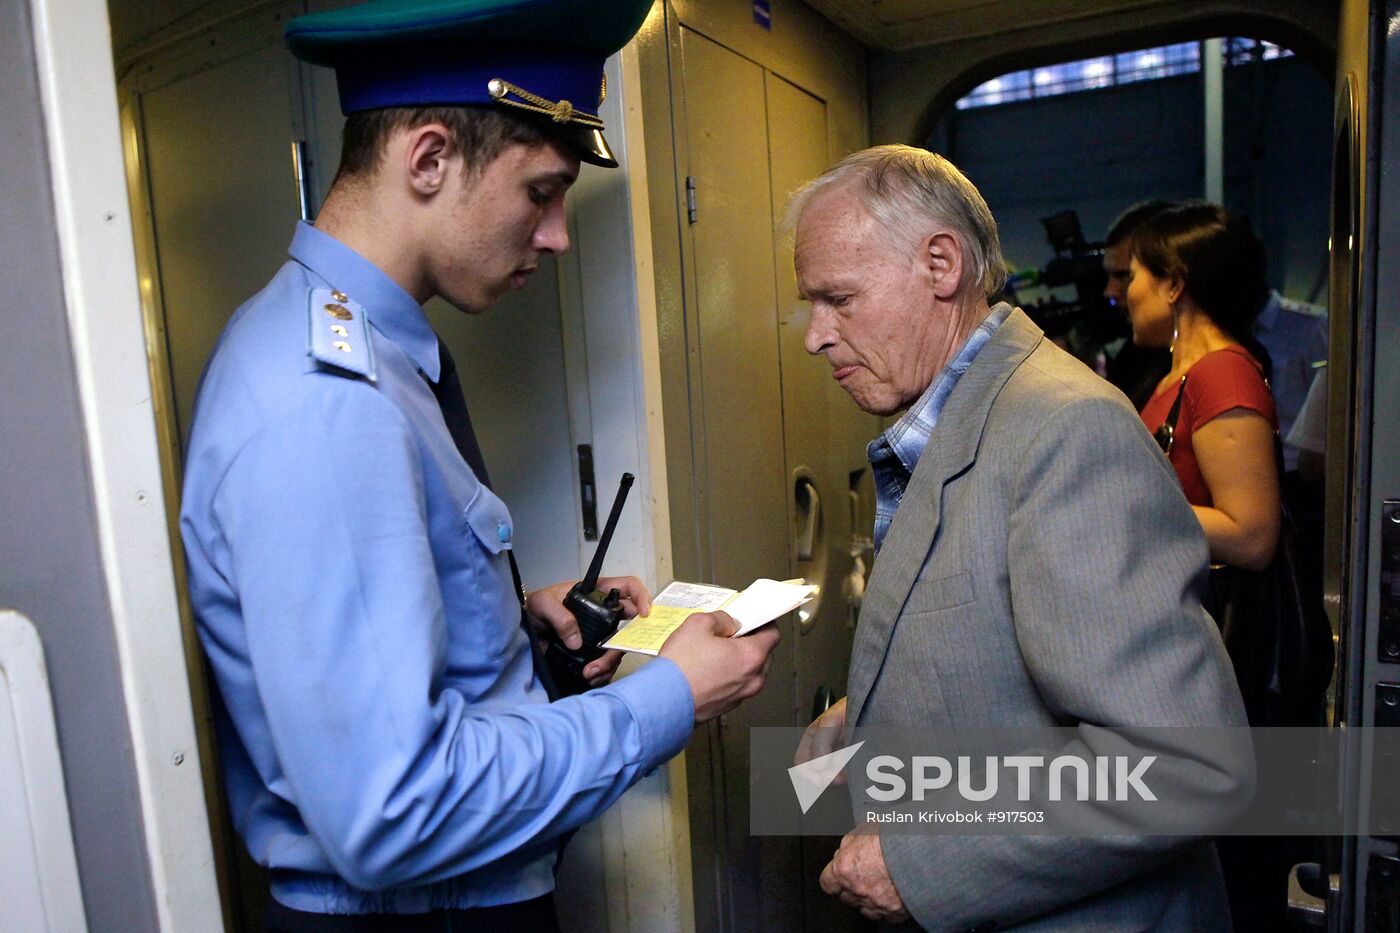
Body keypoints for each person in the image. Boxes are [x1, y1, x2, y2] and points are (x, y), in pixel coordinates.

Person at [178, 0, 779, 927]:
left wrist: (502, 631)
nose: (557, 235)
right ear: (427, 159)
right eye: (540, 191)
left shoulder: (372, 354)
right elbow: (390, 811)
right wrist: (671, 697)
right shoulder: (326, 396)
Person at [790, 146, 1251, 930]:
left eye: (839, 299)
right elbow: (991, 648)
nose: (814, 336)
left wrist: (917, 860)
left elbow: (1184, 765)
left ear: (941, 264)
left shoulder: (1065, 432)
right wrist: (861, 720)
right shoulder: (958, 421)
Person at [1132, 203, 1281, 573]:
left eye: (1133, 275)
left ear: (1174, 285)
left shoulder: (1222, 372)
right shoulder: (1177, 378)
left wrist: (1121, 505)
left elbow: (1251, 536)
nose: (1122, 294)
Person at [1101, 200, 1175, 410]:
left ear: (1174, 279)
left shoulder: (1223, 371)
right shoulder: (1134, 353)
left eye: (1127, 276)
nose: (1110, 292)